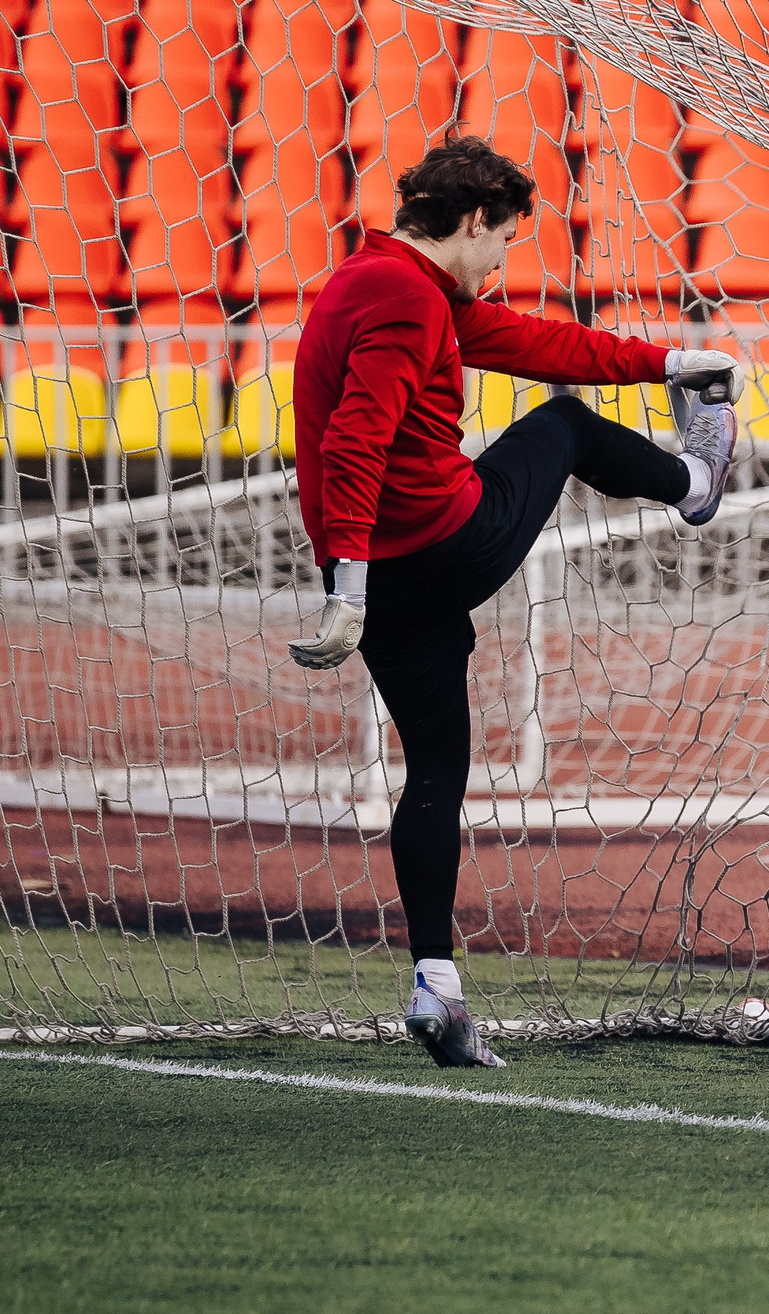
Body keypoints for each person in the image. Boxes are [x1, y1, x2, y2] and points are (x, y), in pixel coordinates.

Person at [289, 136, 744, 1069]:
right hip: (442, 541)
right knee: (566, 426)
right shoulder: (409, 300)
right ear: (471, 221)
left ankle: (438, 990)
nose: (502, 264)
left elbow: (540, 343)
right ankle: (696, 481)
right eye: (502, 244)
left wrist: (666, 361)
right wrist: (346, 584)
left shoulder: (379, 280)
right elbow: (355, 440)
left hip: (389, 576)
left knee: (436, 772)